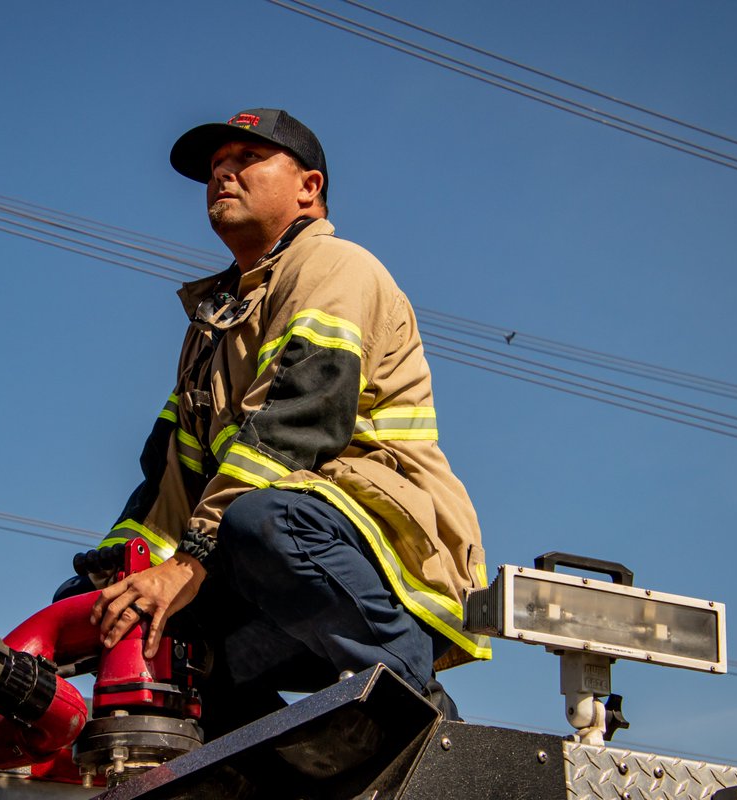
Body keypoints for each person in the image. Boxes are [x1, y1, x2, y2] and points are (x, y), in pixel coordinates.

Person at [88, 108, 490, 732]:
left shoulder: (336, 268)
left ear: (309, 188)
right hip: (276, 564)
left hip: (382, 544)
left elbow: (300, 422)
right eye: (216, 166)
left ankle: (413, 711)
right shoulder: (213, 326)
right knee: (159, 626)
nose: (223, 173)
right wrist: (113, 576)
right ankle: (257, 764)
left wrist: (189, 561)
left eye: (245, 160)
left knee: (259, 521)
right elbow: (171, 475)